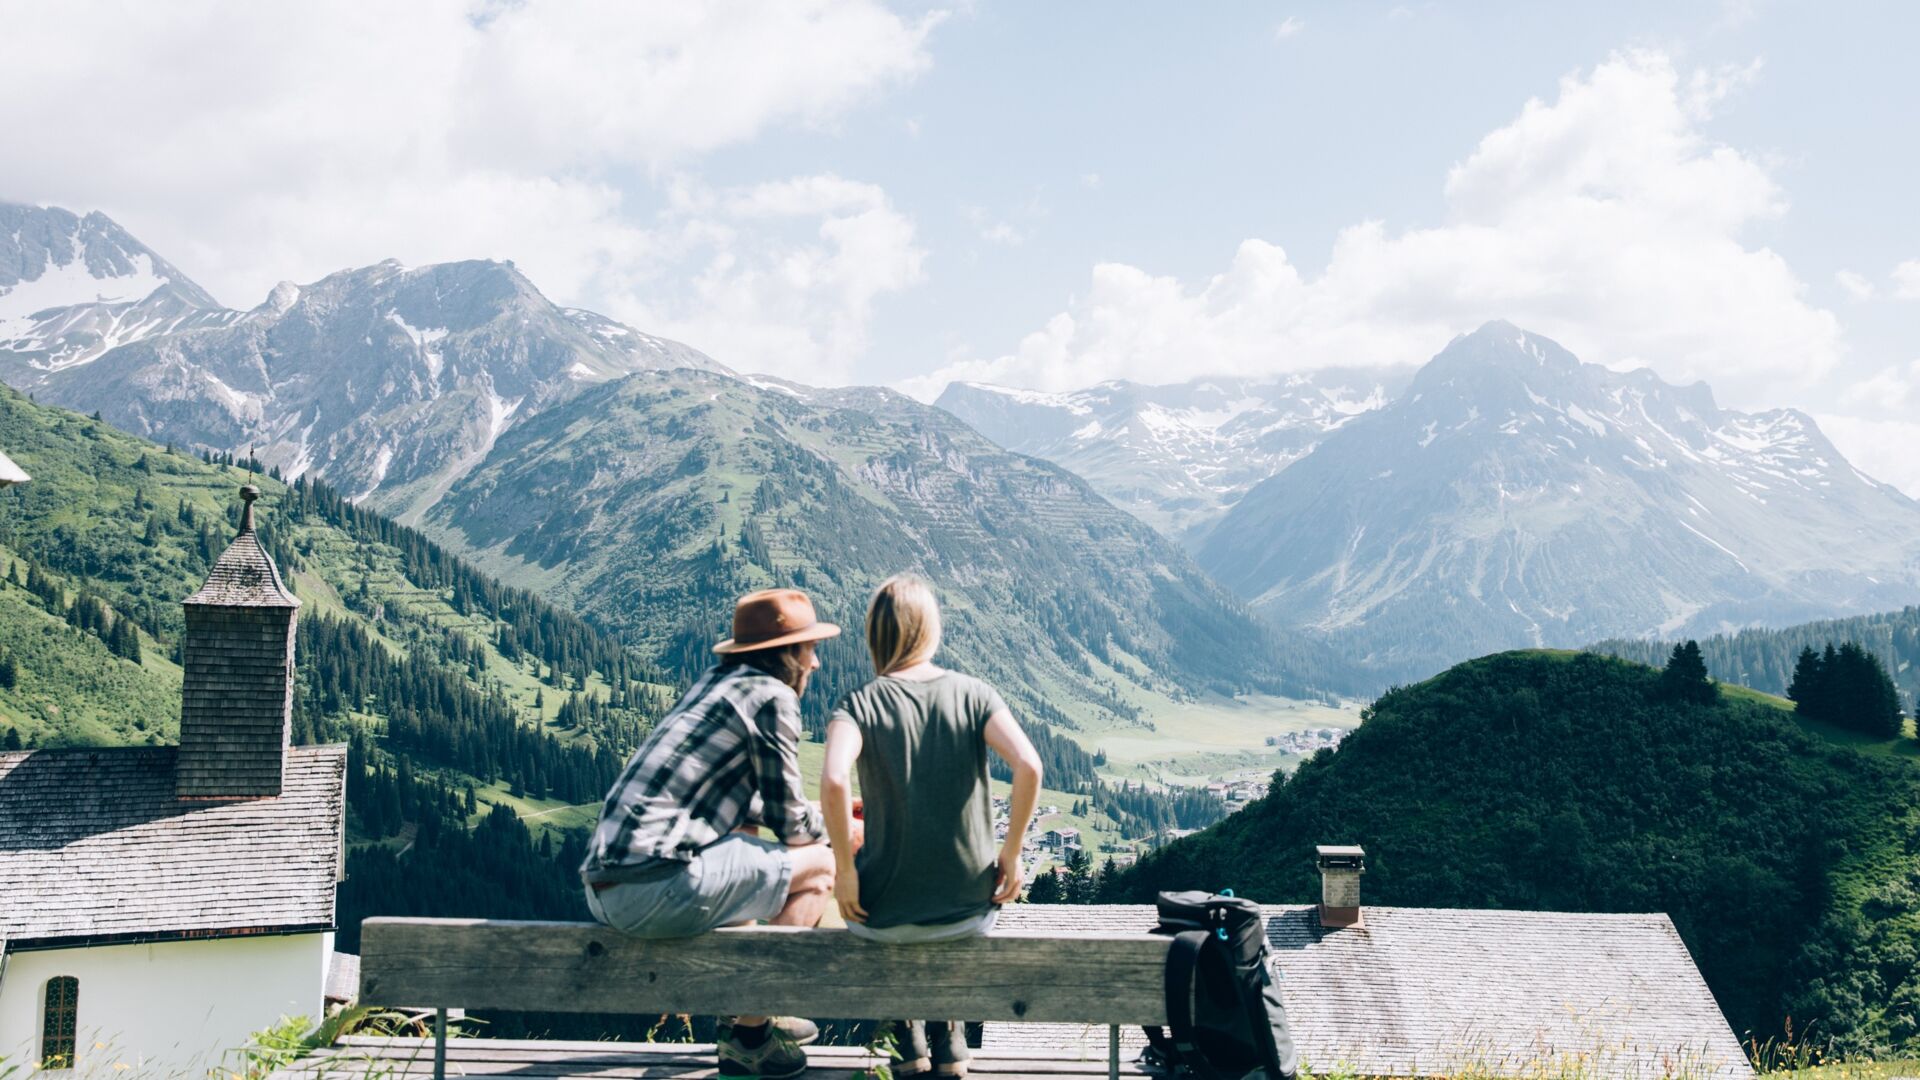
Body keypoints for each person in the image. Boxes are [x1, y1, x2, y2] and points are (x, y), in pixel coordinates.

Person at [580, 587, 840, 1080]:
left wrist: (824, 810)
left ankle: (744, 1007)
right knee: (821, 868)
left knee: (743, 838)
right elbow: (793, 829)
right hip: (657, 888)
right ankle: (751, 1036)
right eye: (810, 649)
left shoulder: (716, 685)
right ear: (787, 654)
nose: (816, 663)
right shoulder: (773, 696)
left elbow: (746, 804)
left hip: (607, 888)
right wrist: (843, 827)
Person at [820, 573, 1045, 1078]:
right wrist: (1011, 853)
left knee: (880, 902)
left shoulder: (858, 704)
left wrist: (844, 870)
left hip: (881, 917)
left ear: (874, 637)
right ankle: (950, 1035)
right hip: (969, 909)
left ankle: (907, 1035)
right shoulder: (974, 694)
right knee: (941, 917)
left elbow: (834, 779)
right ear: (930, 630)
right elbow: (1030, 766)